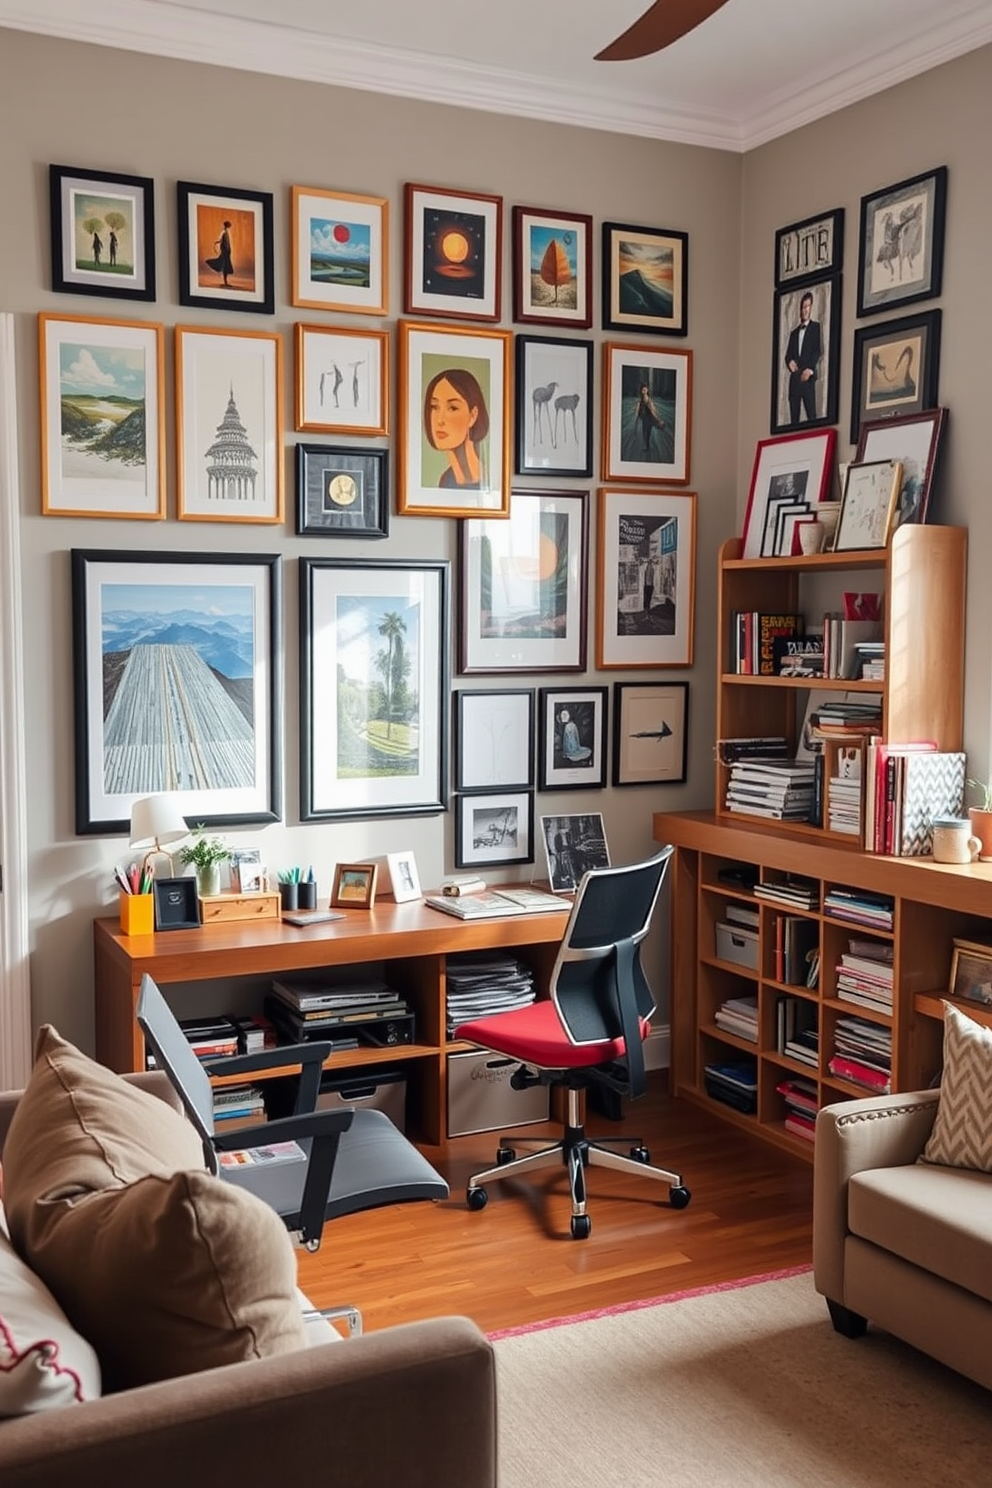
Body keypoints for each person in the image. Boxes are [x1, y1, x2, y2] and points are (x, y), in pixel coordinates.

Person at [423, 367, 489, 488]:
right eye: (434, 407)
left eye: (452, 408)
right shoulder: (445, 481)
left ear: (473, 415)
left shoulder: (490, 480)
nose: (440, 420)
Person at [784, 290, 822, 425]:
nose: (805, 310)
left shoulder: (816, 327)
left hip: (808, 377)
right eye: (803, 307)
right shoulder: (794, 333)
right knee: (794, 420)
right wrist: (790, 362)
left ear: (811, 307)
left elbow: (818, 351)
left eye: (808, 306)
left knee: (812, 416)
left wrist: (810, 369)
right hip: (795, 379)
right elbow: (788, 355)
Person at [633, 382, 664, 456]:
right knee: (645, 432)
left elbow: (652, 408)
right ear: (641, 391)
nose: (644, 391)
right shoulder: (640, 401)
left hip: (650, 416)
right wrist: (636, 419)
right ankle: (646, 446)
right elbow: (638, 410)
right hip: (644, 418)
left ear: (647, 390)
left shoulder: (648, 399)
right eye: (643, 390)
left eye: (645, 390)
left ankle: (660, 425)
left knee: (650, 429)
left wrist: (656, 415)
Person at [206, 220, 234, 287]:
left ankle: (226, 282)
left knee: (225, 265)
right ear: (227, 226)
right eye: (228, 226)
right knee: (224, 265)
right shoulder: (224, 232)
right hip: (225, 252)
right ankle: (225, 282)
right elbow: (222, 241)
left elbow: (226, 242)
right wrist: (218, 243)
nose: (229, 227)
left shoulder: (226, 232)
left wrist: (229, 250)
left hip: (227, 252)